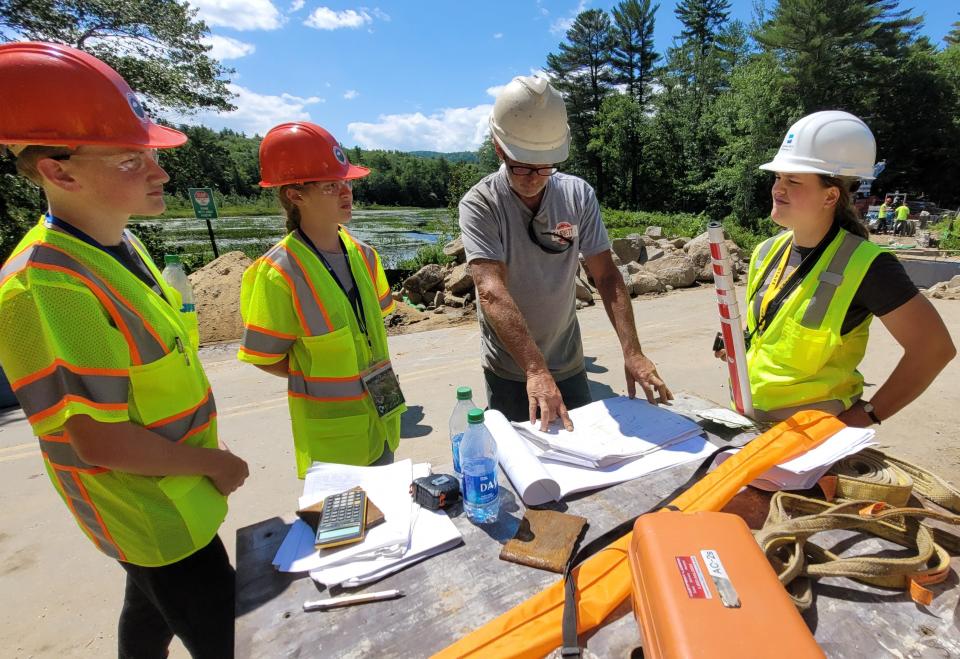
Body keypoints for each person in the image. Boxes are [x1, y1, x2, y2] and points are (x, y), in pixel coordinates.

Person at [0, 42, 248, 658]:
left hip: (171, 492)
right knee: (229, 636)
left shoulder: (117, 244)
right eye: (133, 158)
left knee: (147, 609)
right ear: (60, 171)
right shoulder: (49, 286)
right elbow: (100, 439)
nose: (160, 171)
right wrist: (216, 464)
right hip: (150, 513)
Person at [458, 76, 671, 431]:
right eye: (521, 167)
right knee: (525, 464)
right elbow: (491, 291)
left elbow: (605, 275)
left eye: (544, 168)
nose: (533, 179)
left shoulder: (577, 195)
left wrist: (632, 351)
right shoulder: (480, 203)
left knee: (586, 451)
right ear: (499, 148)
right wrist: (535, 370)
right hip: (512, 368)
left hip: (568, 360)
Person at [716, 110, 955, 425]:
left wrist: (865, 416)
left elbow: (934, 349)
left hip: (813, 448)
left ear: (830, 195)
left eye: (793, 180)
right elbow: (770, 334)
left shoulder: (867, 265)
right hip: (749, 424)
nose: (777, 188)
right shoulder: (765, 252)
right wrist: (739, 342)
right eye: (777, 177)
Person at [237, 122, 403, 478]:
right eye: (331, 185)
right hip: (335, 440)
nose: (346, 193)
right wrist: (318, 378)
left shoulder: (365, 255)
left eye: (346, 182)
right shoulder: (278, 272)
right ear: (295, 195)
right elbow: (265, 358)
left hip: (382, 420)